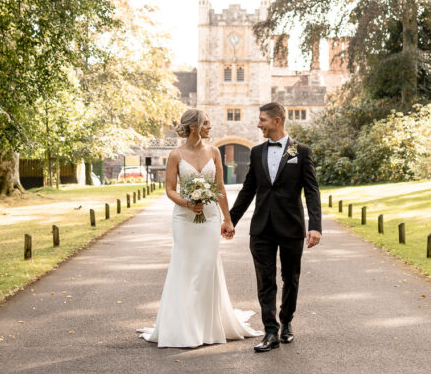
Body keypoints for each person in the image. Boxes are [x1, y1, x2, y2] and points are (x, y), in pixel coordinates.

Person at [138, 109, 262, 347]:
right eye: (205, 123)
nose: (209, 126)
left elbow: (220, 187)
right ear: (193, 126)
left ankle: (206, 325)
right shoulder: (176, 155)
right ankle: (183, 325)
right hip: (184, 219)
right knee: (184, 267)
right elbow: (170, 189)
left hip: (210, 218)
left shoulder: (214, 152)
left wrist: (228, 220)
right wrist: (188, 203)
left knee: (206, 267)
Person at [228, 101, 322, 353]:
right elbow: (248, 190)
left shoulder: (300, 152)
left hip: (291, 227)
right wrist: (230, 220)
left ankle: (286, 321)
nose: (259, 124)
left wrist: (315, 226)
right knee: (265, 280)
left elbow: (312, 191)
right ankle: (270, 331)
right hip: (261, 228)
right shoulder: (257, 152)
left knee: (290, 278)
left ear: (276, 121)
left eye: (262, 120)